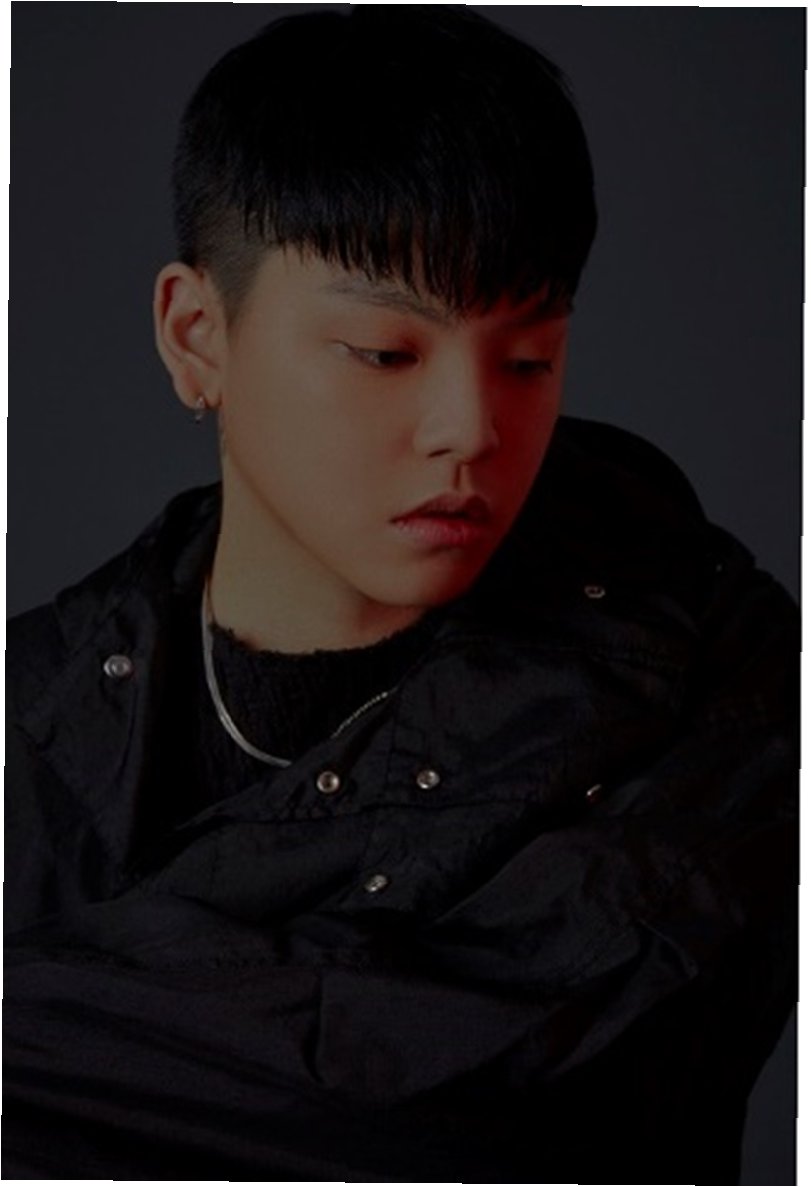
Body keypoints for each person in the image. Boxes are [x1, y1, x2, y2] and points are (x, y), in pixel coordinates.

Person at [4, 6, 797, 1182]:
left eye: (528, 358)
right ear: (198, 335)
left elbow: (487, 1107)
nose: (470, 428)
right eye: (384, 352)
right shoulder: (35, 707)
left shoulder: (715, 661)